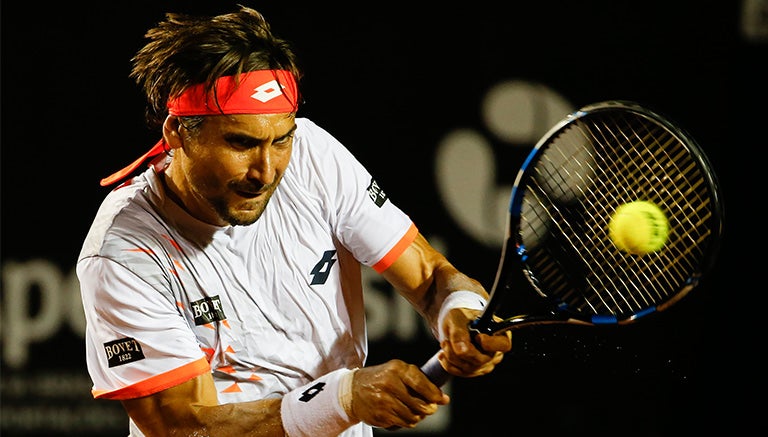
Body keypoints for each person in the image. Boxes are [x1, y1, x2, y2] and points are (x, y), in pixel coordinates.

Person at [77, 5, 511, 436]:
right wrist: (343, 398)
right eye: (240, 143)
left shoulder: (313, 156)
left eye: (280, 140)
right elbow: (182, 427)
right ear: (177, 133)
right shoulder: (122, 254)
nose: (266, 171)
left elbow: (432, 276)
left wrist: (459, 310)